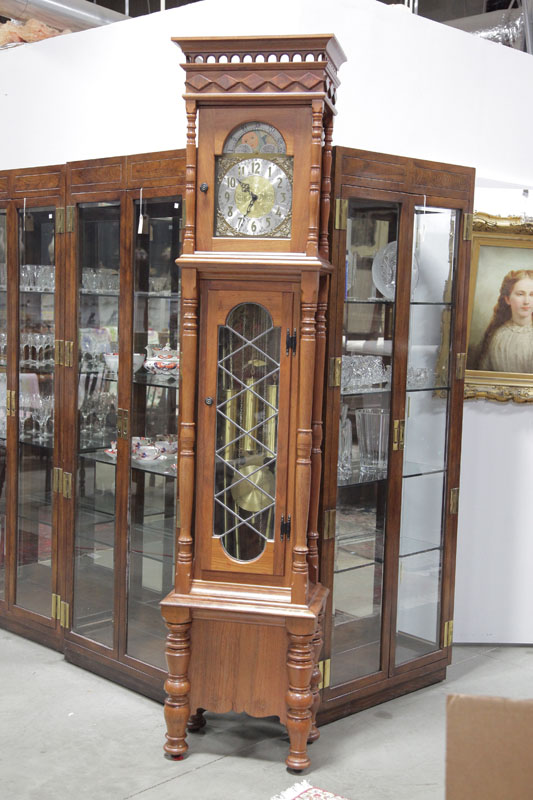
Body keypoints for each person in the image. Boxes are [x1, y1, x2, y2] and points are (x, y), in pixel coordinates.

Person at [478, 269, 533, 373]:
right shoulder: (497, 337)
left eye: (532, 294)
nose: (526, 301)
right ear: (507, 299)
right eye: (520, 294)